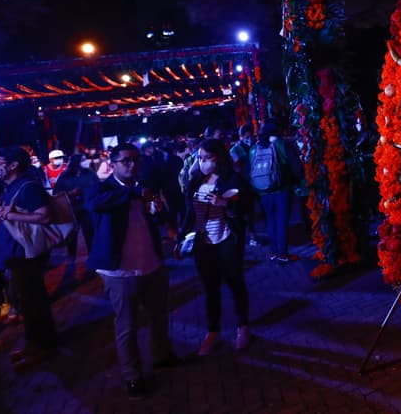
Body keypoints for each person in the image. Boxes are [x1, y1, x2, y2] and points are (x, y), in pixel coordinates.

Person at [86, 143, 181, 400]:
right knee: (127, 325)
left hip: (151, 264)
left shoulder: (144, 187)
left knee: (159, 316)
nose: (132, 165)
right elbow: (95, 205)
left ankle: (162, 355)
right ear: (112, 163)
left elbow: (156, 218)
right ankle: (132, 376)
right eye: (126, 160)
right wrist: (134, 193)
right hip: (119, 271)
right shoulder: (102, 188)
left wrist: (160, 212)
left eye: (136, 160)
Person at [179, 138, 254, 355]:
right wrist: (181, 237)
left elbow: (247, 206)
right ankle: (213, 331)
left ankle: (243, 327)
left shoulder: (233, 179)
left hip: (227, 239)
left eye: (207, 158)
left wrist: (226, 204)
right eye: (199, 158)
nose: (202, 163)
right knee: (210, 288)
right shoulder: (195, 181)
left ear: (219, 158)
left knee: (235, 283)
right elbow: (189, 213)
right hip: (203, 243)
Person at [0, 147, 59, 368]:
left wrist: (9, 214)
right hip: (15, 253)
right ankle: (33, 343)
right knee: (26, 301)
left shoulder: (28, 186)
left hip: (25, 254)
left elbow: (44, 215)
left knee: (34, 301)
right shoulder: (11, 186)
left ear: (13, 165)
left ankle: (46, 346)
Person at [249, 121, 303, 263]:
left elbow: (249, 170)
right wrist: (297, 181)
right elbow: (296, 167)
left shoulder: (254, 148)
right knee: (281, 221)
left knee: (270, 221)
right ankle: (283, 254)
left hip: (262, 191)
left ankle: (273, 252)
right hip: (281, 189)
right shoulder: (282, 144)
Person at [53, 153, 97, 260]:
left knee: (90, 233)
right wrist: (70, 193)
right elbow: (56, 193)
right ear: (75, 163)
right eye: (83, 159)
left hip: (88, 209)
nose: (85, 162)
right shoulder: (65, 176)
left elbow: (98, 187)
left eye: (85, 159)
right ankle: (71, 258)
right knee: (72, 235)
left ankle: (93, 258)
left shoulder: (90, 173)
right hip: (72, 210)